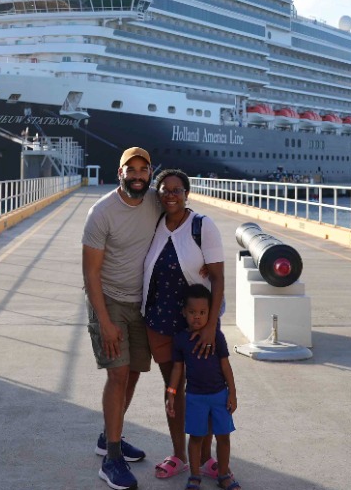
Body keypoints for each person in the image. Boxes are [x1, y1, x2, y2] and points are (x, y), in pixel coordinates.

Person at [83, 147, 162, 490]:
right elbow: (90, 273)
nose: (138, 175)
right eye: (131, 170)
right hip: (110, 300)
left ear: (150, 173)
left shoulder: (156, 201)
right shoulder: (101, 212)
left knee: (132, 374)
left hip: (142, 303)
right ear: (120, 174)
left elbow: (183, 222)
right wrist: (104, 321)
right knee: (117, 375)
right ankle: (112, 459)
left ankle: (108, 437)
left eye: (143, 170)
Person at [140, 169, 226, 481]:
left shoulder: (202, 226)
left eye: (177, 190)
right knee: (173, 390)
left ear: (187, 194)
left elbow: (218, 278)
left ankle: (205, 457)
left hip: (197, 324)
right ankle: (179, 455)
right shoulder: (155, 225)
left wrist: (210, 326)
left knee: (204, 390)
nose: (171, 195)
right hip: (159, 322)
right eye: (165, 190)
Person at [165, 284, 240, 490]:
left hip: (219, 395)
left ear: (210, 313)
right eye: (192, 312)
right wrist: (171, 392)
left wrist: (232, 393)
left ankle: (224, 475)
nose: (197, 317)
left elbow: (225, 365)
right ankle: (195, 476)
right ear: (184, 312)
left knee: (223, 437)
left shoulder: (217, 337)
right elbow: (177, 369)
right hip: (195, 397)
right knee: (196, 437)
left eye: (202, 312)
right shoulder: (180, 340)